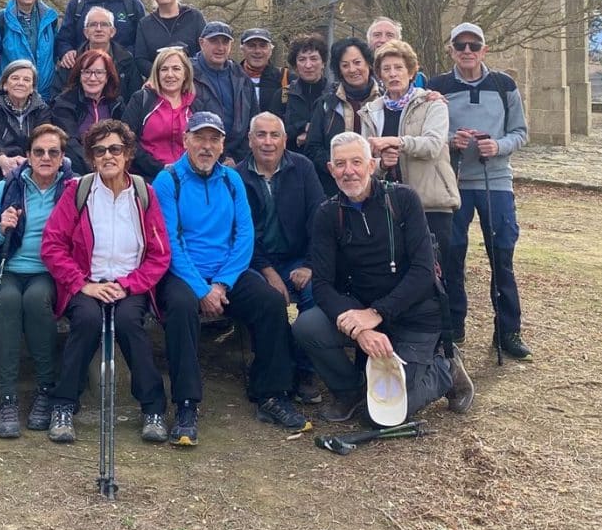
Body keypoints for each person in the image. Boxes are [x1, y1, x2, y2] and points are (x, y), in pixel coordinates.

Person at [153, 111, 311, 446]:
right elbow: (169, 243)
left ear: (223, 143)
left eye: (214, 140)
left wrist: (222, 284)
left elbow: (244, 236)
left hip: (226, 273)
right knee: (180, 307)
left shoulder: (231, 179)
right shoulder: (168, 182)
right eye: (200, 138)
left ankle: (270, 393)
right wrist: (201, 289)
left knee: (269, 301)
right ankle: (186, 403)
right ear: (185, 141)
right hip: (183, 273)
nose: (206, 147)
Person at [293, 133, 473, 423]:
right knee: (307, 326)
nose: (348, 171)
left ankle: (445, 369)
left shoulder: (404, 199)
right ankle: (349, 391)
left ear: (372, 164)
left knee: (385, 416)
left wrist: (377, 313)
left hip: (415, 314)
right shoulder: (327, 214)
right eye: (340, 164)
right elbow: (323, 285)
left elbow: (423, 272)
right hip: (363, 312)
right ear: (330, 169)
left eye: (356, 162)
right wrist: (360, 329)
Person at [41, 119, 173, 445]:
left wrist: (130, 285)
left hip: (130, 283)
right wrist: (82, 283)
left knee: (129, 321)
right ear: (91, 157)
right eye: (100, 151)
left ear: (128, 154)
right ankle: (63, 405)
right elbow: (52, 245)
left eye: (115, 149)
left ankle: (153, 408)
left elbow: (159, 255)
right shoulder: (78, 191)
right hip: (87, 281)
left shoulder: (144, 194)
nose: (108, 156)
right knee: (85, 319)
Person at [427, 23, 532, 360]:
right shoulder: (437, 88)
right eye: (461, 45)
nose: (468, 51)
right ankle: (454, 325)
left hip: (496, 182)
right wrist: (450, 143)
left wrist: (497, 146)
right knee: (451, 256)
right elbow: (428, 133)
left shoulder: (504, 86)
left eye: (474, 45)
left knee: (501, 255)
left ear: (484, 50)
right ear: (451, 50)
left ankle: (508, 331)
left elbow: (520, 132)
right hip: (453, 183)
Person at [0, 124, 76, 437]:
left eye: (53, 152)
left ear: (63, 157)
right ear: (27, 155)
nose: (46, 157)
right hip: (9, 266)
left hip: (49, 271)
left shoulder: (72, 189)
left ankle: (44, 388)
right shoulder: (8, 186)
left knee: (36, 300)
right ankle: (7, 396)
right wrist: (1, 228)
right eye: (38, 151)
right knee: (8, 300)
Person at [237, 112, 325, 402]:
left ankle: (305, 369)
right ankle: (274, 366)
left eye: (274, 135)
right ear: (250, 140)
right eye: (260, 135)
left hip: (299, 258)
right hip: (254, 262)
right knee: (266, 300)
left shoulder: (303, 168)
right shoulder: (237, 176)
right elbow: (242, 232)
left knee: (316, 295)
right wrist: (268, 272)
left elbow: (319, 219)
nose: (268, 142)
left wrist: (311, 265)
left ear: (285, 140)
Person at [361, 40, 460, 262]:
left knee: (436, 272)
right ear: (379, 75)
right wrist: (382, 164)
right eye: (386, 69)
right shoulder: (370, 112)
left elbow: (433, 145)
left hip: (430, 202)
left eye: (399, 68)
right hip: (389, 205)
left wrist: (397, 142)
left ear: (411, 71)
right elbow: (366, 160)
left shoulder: (432, 104)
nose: (393, 74)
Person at [303, 37, 380, 196]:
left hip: (379, 186)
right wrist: (341, 167)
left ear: (368, 63)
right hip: (337, 189)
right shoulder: (327, 104)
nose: (352, 69)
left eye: (357, 62)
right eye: (345, 65)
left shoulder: (386, 100)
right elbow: (312, 148)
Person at [121, 46, 210, 179]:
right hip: (147, 177)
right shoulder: (141, 99)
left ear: (185, 73)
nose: (170, 74)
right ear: (157, 74)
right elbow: (126, 140)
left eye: (176, 69)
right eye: (164, 69)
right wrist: (160, 168)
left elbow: (205, 141)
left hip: (190, 177)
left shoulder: (197, 104)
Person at [0, 59, 52, 194]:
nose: (20, 83)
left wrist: (29, 161)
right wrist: (2, 160)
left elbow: (43, 140)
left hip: (32, 162)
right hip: (0, 163)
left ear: (32, 88)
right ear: (5, 84)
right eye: (15, 78)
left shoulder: (42, 109)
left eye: (26, 80)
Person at [190, 21, 255, 165]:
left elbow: (252, 122)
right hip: (198, 158)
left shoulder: (242, 78)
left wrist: (236, 158)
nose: (220, 48)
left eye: (225, 42)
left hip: (236, 161)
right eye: (214, 41)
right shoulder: (186, 75)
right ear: (201, 42)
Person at [49, 49, 122, 173]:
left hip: (112, 167)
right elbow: (69, 143)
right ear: (79, 76)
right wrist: (95, 165)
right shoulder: (64, 103)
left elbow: (126, 139)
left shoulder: (117, 103)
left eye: (99, 72)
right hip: (77, 170)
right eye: (87, 72)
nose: (92, 78)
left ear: (107, 77)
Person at [0, 0, 61, 99]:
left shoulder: (50, 19)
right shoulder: (1, 20)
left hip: (44, 96)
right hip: (10, 95)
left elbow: (56, 54)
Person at [59, 6, 143, 100]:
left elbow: (136, 99)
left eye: (104, 24)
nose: (98, 29)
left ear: (112, 32)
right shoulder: (72, 61)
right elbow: (58, 97)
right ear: (86, 32)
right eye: (93, 24)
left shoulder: (126, 61)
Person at [133, 0, 206, 74]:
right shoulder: (145, 24)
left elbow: (204, 51)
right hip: (158, 85)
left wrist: (185, 73)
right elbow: (141, 59)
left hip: (194, 82)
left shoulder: (194, 17)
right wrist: (161, 75)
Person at [281, 34, 328, 148]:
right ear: (295, 65)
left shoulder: (335, 95)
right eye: (302, 59)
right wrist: (302, 127)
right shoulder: (283, 95)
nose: (308, 65)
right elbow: (274, 130)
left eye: (313, 59)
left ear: (323, 63)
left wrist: (311, 133)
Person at [367, 17, 428, 88]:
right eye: (377, 35)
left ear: (399, 41)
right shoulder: (361, 75)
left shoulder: (418, 80)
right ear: (369, 40)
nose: (383, 40)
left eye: (389, 35)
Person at [240, 28, 285, 117]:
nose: (257, 51)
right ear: (242, 49)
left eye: (263, 46)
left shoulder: (284, 78)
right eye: (251, 46)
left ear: (271, 50)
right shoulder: (231, 77)